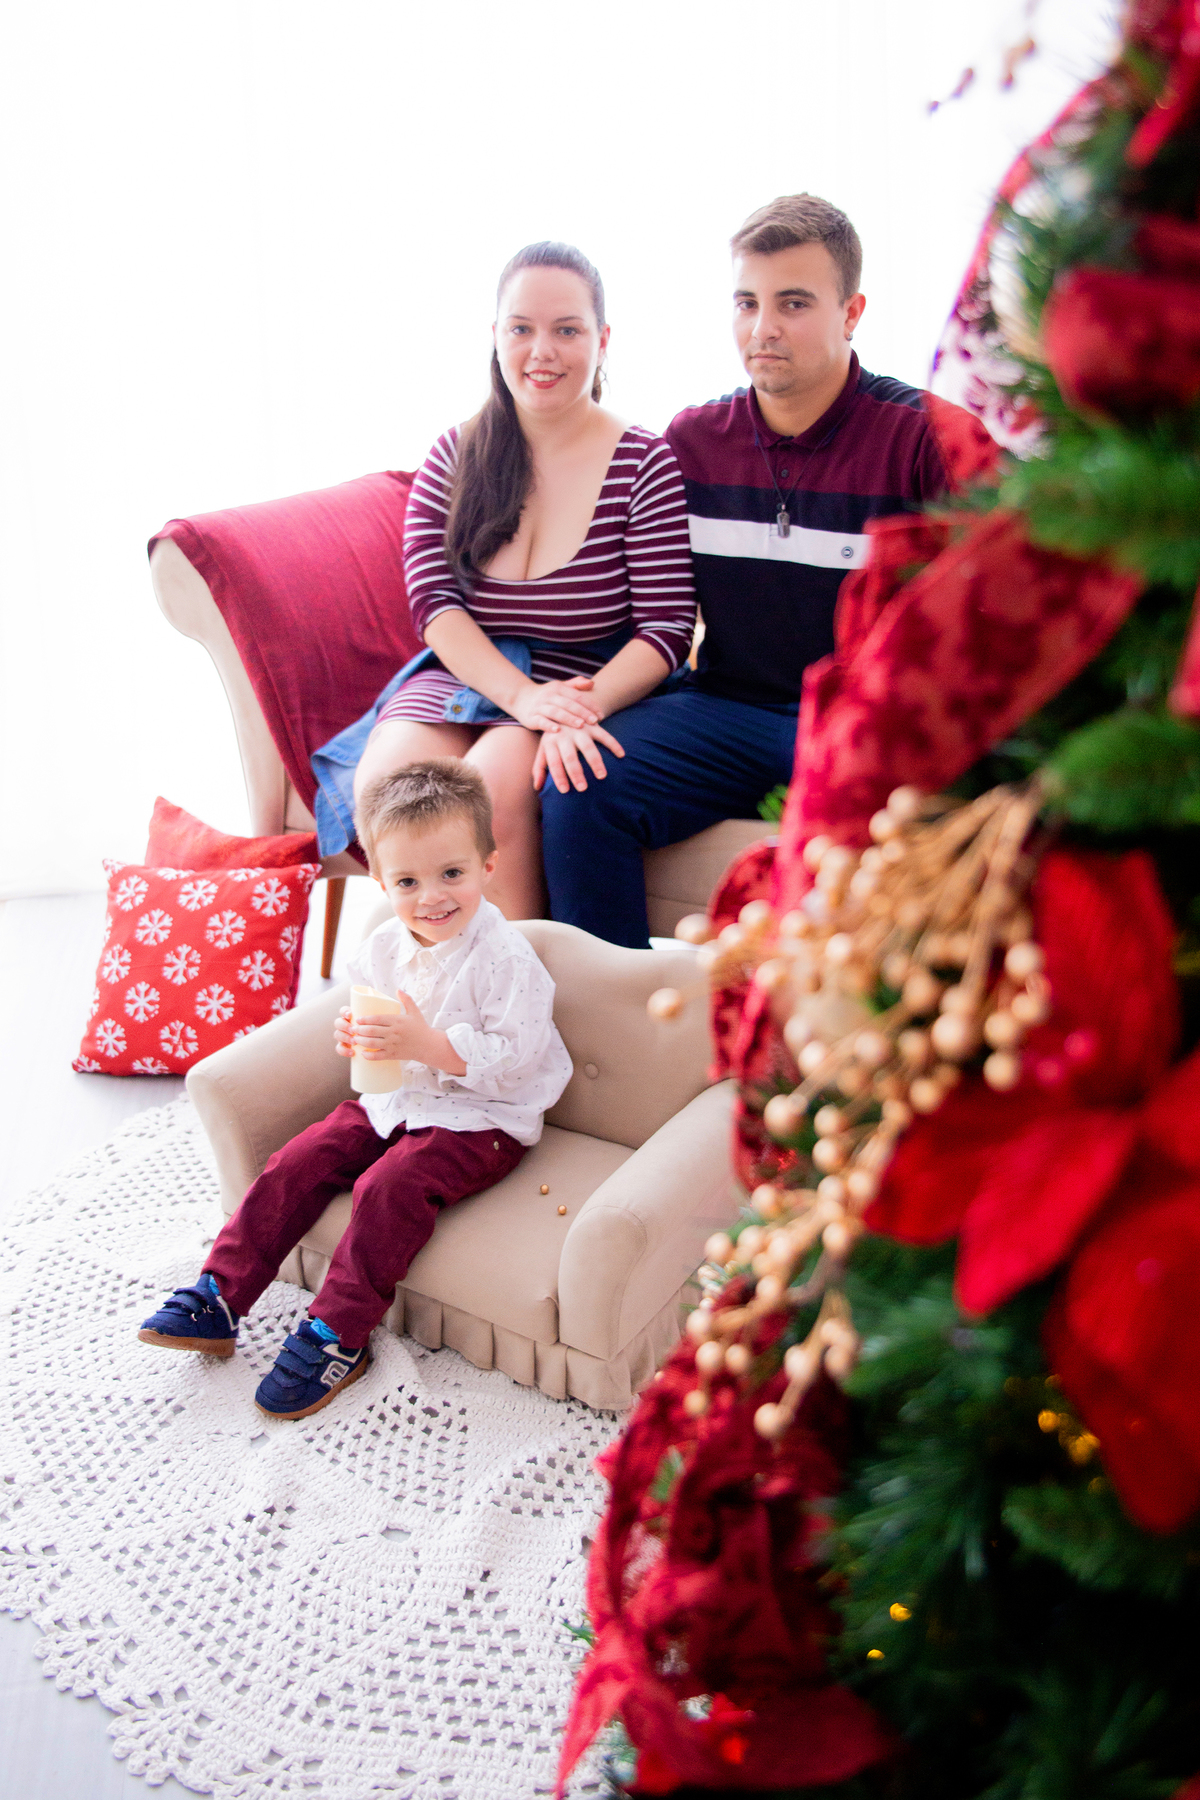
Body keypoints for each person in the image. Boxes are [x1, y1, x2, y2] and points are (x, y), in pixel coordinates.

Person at [539, 193, 995, 946]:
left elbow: (1007, 605)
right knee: (579, 780)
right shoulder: (693, 441)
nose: (763, 329)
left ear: (852, 313)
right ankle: (617, 1004)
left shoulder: (928, 441)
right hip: (727, 708)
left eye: (793, 303)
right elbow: (642, 604)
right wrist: (567, 707)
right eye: (747, 302)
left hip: (863, 721)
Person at [137, 760, 572, 1420]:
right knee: (298, 1160)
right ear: (380, 881)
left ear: (487, 865)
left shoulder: (508, 960)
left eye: (451, 873)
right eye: (408, 881)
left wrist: (428, 1044)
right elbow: (371, 1020)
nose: (432, 897)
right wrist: (356, 1034)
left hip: (482, 1119)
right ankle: (220, 1294)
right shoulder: (382, 948)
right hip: (395, 1098)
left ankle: (337, 1333)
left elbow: (515, 1061)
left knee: (387, 1187)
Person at [348, 241, 697, 920]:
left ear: (602, 339)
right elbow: (434, 604)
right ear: (495, 335)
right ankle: (430, 979)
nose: (542, 351)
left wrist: (567, 708)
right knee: (386, 788)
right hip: (471, 674)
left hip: (582, 682)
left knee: (489, 797)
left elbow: (667, 629)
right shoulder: (455, 453)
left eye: (567, 330)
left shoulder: (644, 462)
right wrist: (518, 695)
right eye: (521, 329)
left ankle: (519, 985)